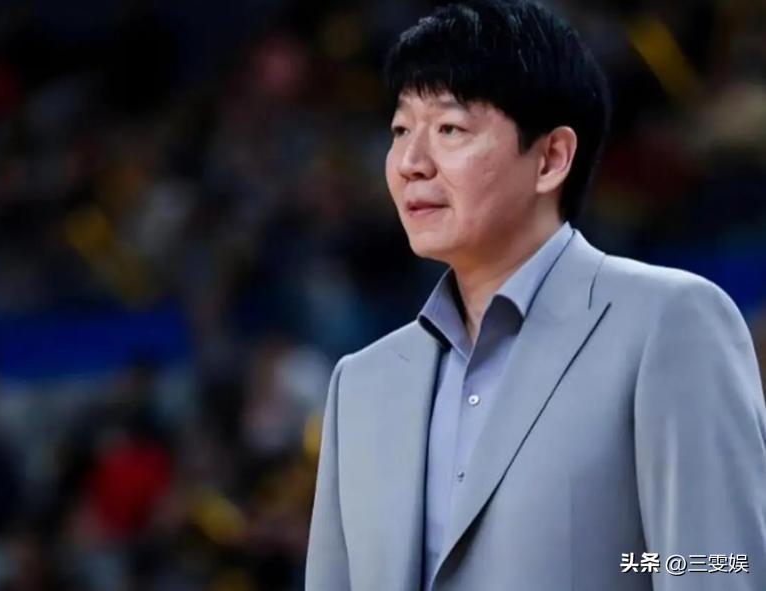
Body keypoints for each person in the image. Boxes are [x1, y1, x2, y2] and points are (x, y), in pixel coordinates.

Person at [305, 1, 766, 590]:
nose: (410, 163)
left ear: (551, 158)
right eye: (400, 131)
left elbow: (718, 565)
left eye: (449, 129)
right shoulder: (360, 384)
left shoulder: (669, 323)